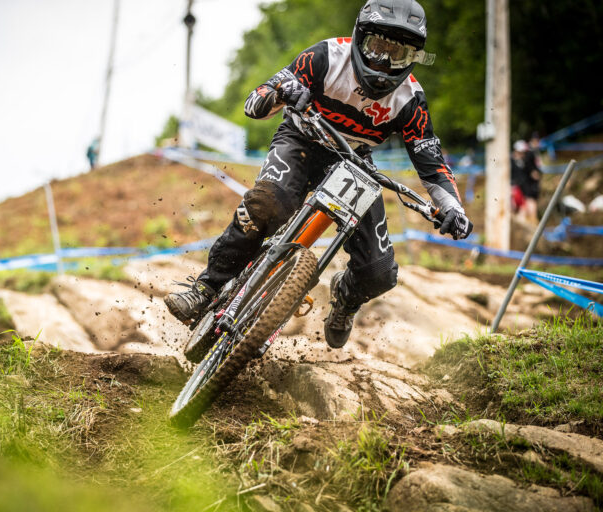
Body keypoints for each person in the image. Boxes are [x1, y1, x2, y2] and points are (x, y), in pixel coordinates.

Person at [165, 0, 473, 349]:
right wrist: (282, 92)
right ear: (360, 37)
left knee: (380, 273)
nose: (383, 63)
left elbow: (431, 164)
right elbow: (255, 102)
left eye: (397, 54)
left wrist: (453, 208)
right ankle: (206, 287)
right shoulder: (325, 57)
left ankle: (346, 296)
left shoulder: (410, 100)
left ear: (413, 57)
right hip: (301, 140)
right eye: (377, 48)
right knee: (266, 205)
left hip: (354, 161)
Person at [511, 139, 542, 224]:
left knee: (529, 209)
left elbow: (535, 174)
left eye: (523, 152)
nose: (522, 154)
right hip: (520, 191)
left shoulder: (528, 161)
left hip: (528, 191)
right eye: (520, 152)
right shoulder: (513, 162)